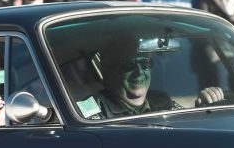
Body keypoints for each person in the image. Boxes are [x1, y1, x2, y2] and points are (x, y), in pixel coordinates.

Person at [94, 40, 223, 117]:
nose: (139, 72)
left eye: (145, 64)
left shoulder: (162, 101)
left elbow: (185, 124)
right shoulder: (96, 111)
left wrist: (201, 109)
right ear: (109, 71)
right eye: (129, 65)